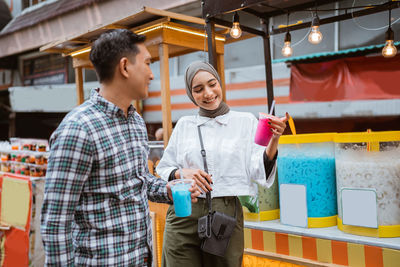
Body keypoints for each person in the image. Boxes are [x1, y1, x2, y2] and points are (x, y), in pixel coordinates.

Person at [40, 29, 199, 267]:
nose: (151, 75)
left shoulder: (135, 121)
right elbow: (55, 221)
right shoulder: (78, 129)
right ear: (125, 67)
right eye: (147, 63)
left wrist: (167, 189)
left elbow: (139, 181)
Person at [156, 61, 289, 267]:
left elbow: (258, 166)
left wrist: (274, 139)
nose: (208, 93)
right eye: (198, 89)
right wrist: (181, 173)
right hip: (184, 211)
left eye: (212, 84)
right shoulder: (184, 125)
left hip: (224, 214)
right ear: (191, 95)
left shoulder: (245, 121)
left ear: (220, 83)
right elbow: (163, 167)